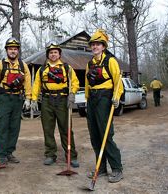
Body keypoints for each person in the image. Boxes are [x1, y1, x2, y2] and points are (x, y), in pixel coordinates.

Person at [0, 37, 32, 166]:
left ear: (18, 51)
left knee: (14, 127)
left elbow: (27, 82)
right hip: (4, 98)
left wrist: (28, 98)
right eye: (10, 49)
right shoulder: (0, 64)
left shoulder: (23, 65)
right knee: (3, 126)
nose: (13, 51)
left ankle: (10, 152)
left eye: (15, 49)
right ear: (6, 50)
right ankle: (1, 155)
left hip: (18, 99)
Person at [31, 41, 80, 168]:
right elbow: (36, 85)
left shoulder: (66, 68)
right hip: (47, 100)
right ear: (48, 54)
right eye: (51, 52)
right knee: (48, 129)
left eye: (55, 52)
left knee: (66, 129)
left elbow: (75, 82)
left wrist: (72, 94)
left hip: (63, 100)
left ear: (59, 54)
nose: (53, 54)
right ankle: (50, 155)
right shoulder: (42, 69)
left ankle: (71, 155)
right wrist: (33, 99)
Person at [85, 29, 124, 183]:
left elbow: (118, 81)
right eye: (93, 44)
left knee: (106, 134)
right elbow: (87, 84)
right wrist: (87, 100)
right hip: (92, 100)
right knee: (94, 135)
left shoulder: (110, 61)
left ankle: (117, 168)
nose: (94, 47)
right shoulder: (90, 64)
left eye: (97, 44)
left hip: (105, 98)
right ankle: (100, 168)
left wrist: (117, 97)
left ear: (103, 46)